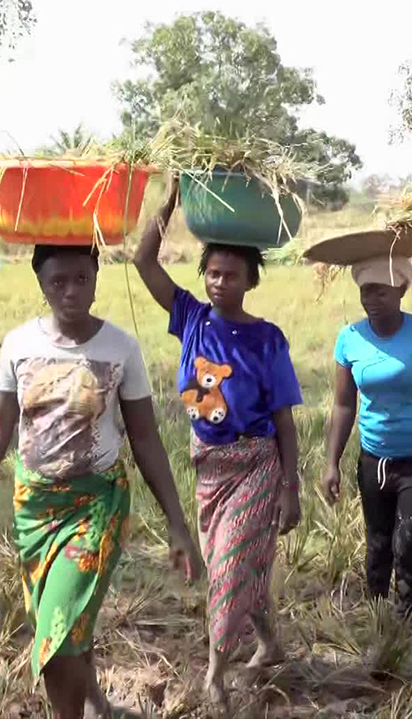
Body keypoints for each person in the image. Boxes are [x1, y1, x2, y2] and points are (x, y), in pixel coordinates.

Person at [0, 243, 202, 719]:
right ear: (41, 284)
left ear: (96, 278)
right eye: (57, 281)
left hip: (96, 505)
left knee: (58, 632)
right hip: (35, 508)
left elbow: (145, 439)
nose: (70, 291)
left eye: (81, 279)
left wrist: (177, 524)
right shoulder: (19, 344)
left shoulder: (120, 348)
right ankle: (96, 703)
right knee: (65, 617)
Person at [133, 179, 303, 706]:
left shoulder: (267, 338)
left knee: (227, 567)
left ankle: (215, 673)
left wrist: (289, 486)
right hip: (208, 468)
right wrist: (169, 202)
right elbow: (143, 261)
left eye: (231, 274)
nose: (219, 282)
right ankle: (270, 644)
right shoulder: (190, 318)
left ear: (251, 279)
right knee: (243, 562)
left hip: (256, 463)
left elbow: (285, 420)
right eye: (211, 272)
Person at [323, 254, 412, 612]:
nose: (371, 301)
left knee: (408, 542)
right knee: (377, 542)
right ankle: (376, 615)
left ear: (402, 288)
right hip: (374, 458)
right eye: (365, 292)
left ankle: (405, 624)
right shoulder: (350, 339)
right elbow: (344, 405)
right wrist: (331, 463)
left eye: (381, 292)